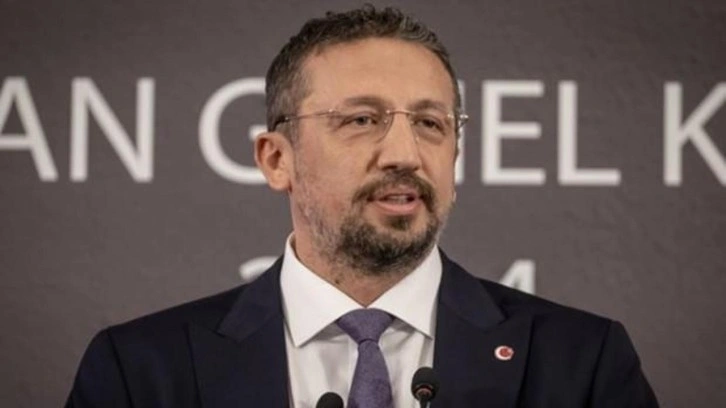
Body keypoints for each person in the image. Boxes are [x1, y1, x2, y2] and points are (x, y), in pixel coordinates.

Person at [66, 6, 658, 407]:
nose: (405, 153)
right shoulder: (140, 372)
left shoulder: (581, 364)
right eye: (361, 120)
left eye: (430, 123)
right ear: (277, 159)